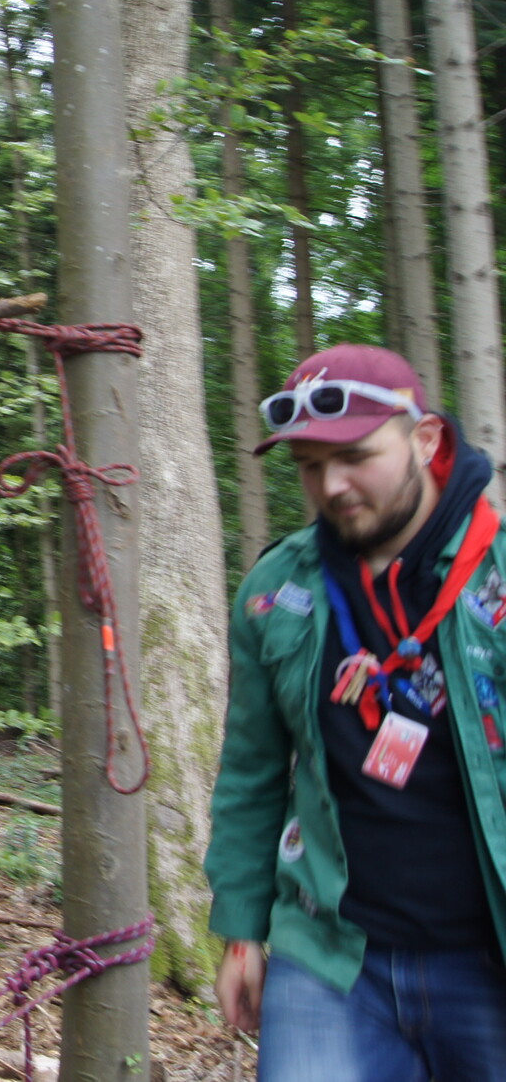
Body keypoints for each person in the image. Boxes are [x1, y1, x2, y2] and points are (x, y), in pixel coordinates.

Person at [206, 344, 506, 1082]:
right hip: (330, 960)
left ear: (425, 439)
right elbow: (250, 770)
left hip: (487, 955)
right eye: (310, 465)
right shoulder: (276, 591)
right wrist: (241, 930)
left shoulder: (495, 572)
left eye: (355, 456)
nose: (332, 486)